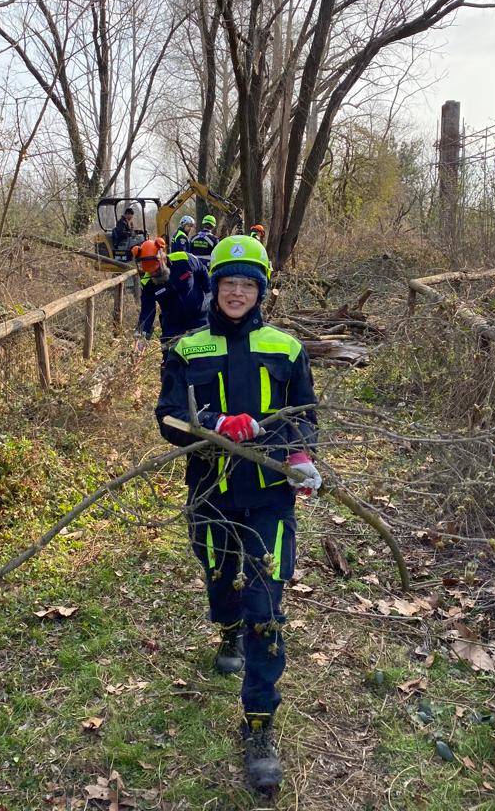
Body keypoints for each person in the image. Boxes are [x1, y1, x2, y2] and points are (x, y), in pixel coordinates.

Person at [156, 235, 320, 792]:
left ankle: (259, 725)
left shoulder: (287, 348)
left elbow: (304, 415)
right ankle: (225, 629)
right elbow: (170, 417)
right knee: (220, 575)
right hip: (210, 493)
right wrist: (214, 425)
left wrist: (300, 456)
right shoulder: (186, 349)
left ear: (261, 290)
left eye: (248, 283)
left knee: (266, 606)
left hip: (270, 496)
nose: (237, 292)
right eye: (229, 282)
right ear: (215, 287)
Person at [132, 237, 210, 351]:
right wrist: (142, 335)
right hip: (173, 327)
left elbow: (202, 270)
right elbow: (147, 311)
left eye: (156, 270)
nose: (153, 273)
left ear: (162, 257)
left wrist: (209, 294)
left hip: (200, 319)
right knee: (170, 362)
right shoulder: (147, 283)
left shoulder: (184, 260)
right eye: (150, 271)